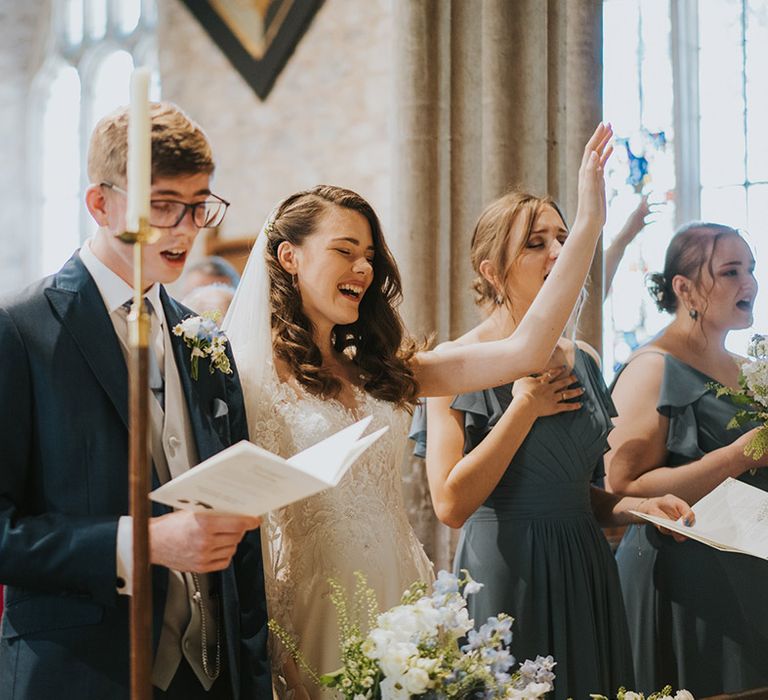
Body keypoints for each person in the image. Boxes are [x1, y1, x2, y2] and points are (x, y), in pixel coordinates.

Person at [224, 124, 615, 698]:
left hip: (402, 589)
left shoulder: (388, 371)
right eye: (344, 251)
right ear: (288, 257)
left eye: (369, 256)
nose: (362, 268)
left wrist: (590, 225)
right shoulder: (249, 377)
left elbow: (526, 350)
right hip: (316, 597)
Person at [0, 102, 270, 699]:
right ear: (100, 203)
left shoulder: (204, 338)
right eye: (163, 205)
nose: (186, 227)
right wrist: (138, 543)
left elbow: (241, 553)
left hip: (208, 676)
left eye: (200, 204)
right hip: (80, 673)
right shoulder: (19, 329)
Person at [411, 190, 694, 700]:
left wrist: (635, 507)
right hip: (507, 572)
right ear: (492, 271)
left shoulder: (583, 358)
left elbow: (578, 490)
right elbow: (450, 504)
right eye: (536, 243)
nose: (559, 253)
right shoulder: (452, 362)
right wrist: (523, 407)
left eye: (564, 238)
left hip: (585, 567)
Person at [605, 222, 768, 696]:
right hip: (685, 586)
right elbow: (621, 487)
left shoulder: (749, 372)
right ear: (684, 288)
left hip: (748, 579)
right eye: (731, 271)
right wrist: (737, 457)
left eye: (752, 269)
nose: (750, 284)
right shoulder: (651, 367)